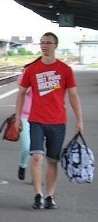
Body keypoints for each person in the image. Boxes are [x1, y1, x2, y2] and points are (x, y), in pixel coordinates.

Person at [15, 32, 83, 210]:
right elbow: (21, 92)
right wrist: (17, 118)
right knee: (37, 157)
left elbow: (73, 95)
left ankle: (50, 195)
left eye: (48, 43)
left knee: (53, 160)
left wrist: (79, 120)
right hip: (36, 120)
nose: (44, 45)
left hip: (58, 121)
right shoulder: (32, 69)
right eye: (42, 43)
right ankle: (38, 194)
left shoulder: (65, 70)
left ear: (55, 45)